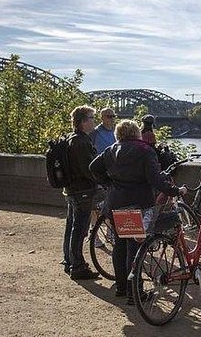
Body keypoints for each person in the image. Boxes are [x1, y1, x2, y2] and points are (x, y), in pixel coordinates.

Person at [89, 120, 185, 303]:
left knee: (120, 245)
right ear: (136, 133)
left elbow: (93, 168)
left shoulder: (111, 150)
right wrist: (175, 191)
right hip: (136, 205)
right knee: (134, 247)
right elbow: (155, 179)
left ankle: (121, 287)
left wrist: (108, 183)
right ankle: (135, 292)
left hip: (115, 203)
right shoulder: (144, 150)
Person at [62, 105, 99, 280]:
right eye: (92, 117)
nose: (94, 121)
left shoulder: (71, 138)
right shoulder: (81, 142)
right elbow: (88, 169)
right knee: (80, 229)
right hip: (82, 191)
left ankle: (69, 261)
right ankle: (77, 266)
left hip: (71, 190)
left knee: (71, 226)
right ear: (83, 122)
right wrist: (103, 181)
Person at [90, 107, 116, 247]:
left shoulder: (114, 132)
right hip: (99, 174)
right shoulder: (95, 133)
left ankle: (109, 232)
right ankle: (94, 234)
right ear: (102, 117)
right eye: (109, 116)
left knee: (110, 204)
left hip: (112, 175)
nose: (112, 119)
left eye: (113, 116)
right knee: (96, 207)